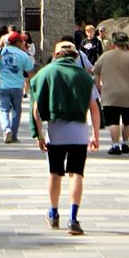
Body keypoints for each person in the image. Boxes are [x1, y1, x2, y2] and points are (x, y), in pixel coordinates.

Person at [32, 41, 101, 235]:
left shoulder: (45, 73)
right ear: (75, 57)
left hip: (55, 134)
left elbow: (36, 110)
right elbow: (94, 109)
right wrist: (95, 135)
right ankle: (73, 218)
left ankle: (53, 213)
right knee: (76, 174)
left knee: (55, 173)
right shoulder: (84, 77)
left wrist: (38, 134)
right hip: (79, 134)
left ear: (56, 55)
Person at [93, 31, 129, 155]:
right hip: (128, 94)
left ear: (114, 43)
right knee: (127, 121)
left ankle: (115, 145)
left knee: (113, 121)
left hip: (110, 94)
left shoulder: (105, 56)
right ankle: (126, 144)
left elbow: (96, 72)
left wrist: (98, 88)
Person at [0, 31, 35, 143]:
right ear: (19, 42)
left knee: (3, 109)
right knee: (16, 111)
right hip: (17, 86)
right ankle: (14, 135)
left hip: (3, 86)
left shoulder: (1, 51)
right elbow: (31, 73)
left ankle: (6, 129)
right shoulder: (23, 54)